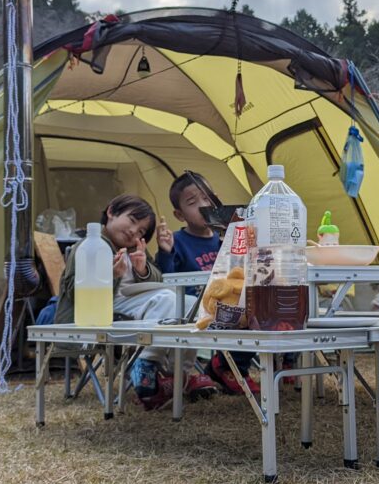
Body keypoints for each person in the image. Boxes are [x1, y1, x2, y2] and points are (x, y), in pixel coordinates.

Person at [54, 193, 218, 409]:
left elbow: (159, 278)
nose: (133, 231)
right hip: (103, 310)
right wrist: (110, 275)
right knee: (166, 300)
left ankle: (179, 375)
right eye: (132, 220)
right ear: (111, 212)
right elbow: (75, 290)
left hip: (137, 306)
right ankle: (146, 366)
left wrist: (143, 269)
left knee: (187, 304)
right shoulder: (90, 245)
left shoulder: (134, 249)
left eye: (141, 231)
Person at [155, 172, 260, 394]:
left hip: (231, 305)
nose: (203, 205)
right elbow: (166, 281)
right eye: (193, 202)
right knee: (241, 310)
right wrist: (165, 252)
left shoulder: (228, 237)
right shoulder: (178, 241)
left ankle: (271, 363)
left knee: (261, 304)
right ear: (179, 214)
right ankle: (226, 368)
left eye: (207, 199)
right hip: (196, 308)